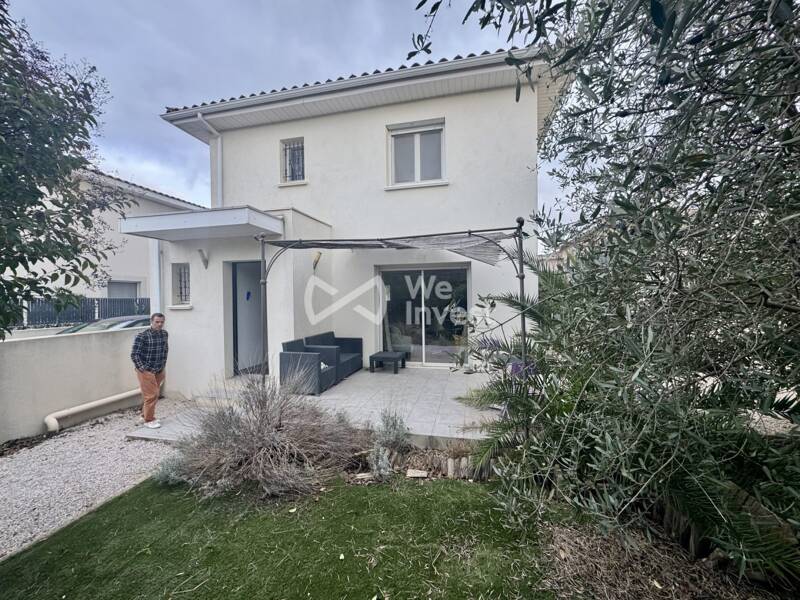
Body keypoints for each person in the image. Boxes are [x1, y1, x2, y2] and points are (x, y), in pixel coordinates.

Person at [131, 313, 168, 429]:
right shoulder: (142, 336)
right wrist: (143, 369)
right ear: (151, 321)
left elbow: (165, 350)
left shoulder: (164, 334)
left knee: (152, 395)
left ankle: (144, 416)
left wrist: (162, 366)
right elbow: (134, 354)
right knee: (151, 395)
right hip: (146, 370)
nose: (160, 324)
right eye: (157, 322)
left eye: (162, 322)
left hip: (159, 369)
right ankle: (149, 420)